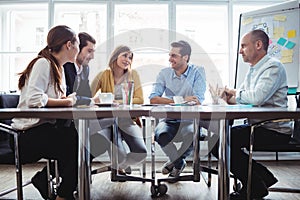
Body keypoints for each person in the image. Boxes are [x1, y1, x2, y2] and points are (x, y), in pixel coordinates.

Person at [218, 29, 292, 199]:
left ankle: (256, 184)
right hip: (258, 126)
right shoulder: (254, 69)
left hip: (274, 130)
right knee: (222, 141)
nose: (240, 50)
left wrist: (234, 92)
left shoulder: (273, 66)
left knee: (222, 143)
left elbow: (256, 97)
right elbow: (246, 97)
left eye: (243, 46)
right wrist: (229, 97)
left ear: (258, 45)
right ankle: (261, 178)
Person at [11, 25, 79, 200]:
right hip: (25, 136)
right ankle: (63, 194)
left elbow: (52, 98)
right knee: (76, 144)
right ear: (69, 45)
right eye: (77, 45)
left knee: (79, 140)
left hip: (44, 130)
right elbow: (35, 99)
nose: (78, 50)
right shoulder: (43, 63)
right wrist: (66, 101)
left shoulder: (59, 68)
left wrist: (67, 99)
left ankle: (56, 186)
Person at [149, 40, 206, 178]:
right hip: (169, 120)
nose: (170, 59)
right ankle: (179, 163)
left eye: (174, 55)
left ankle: (173, 162)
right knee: (160, 135)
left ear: (185, 57)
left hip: (190, 121)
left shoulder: (198, 72)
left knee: (193, 135)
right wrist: (181, 100)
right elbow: (153, 98)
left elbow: (197, 100)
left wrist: (173, 101)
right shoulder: (164, 73)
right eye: (170, 55)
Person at [90, 45, 147, 174]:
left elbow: (140, 99)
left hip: (127, 120)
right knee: (119, 157)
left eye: (130, 57)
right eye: (125, 56)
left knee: (141, 153)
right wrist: (98, 100)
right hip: (108, 122)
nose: (128, 59)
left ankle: (119, 165)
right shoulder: (103, 74)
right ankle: (119, 164)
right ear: (116, 56)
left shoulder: (133, 74)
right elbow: (88, 96)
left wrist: (116, 102)